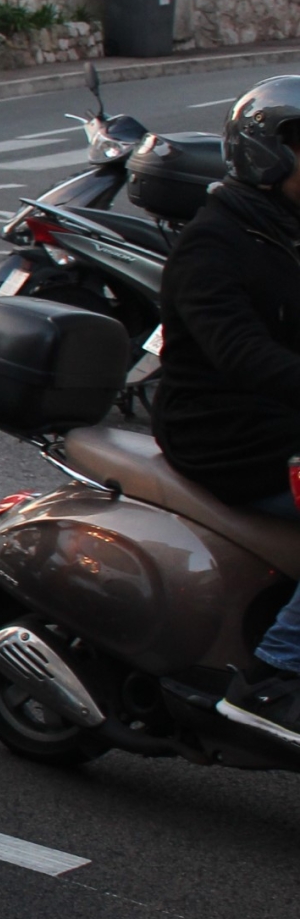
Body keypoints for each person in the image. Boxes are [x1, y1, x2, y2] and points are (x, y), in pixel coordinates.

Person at [153, 76, 300, 726]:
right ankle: (275, 677)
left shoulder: (288, 229)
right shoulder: (214, 241)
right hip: (225, 429)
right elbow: (242, 354)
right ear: (272, 155)